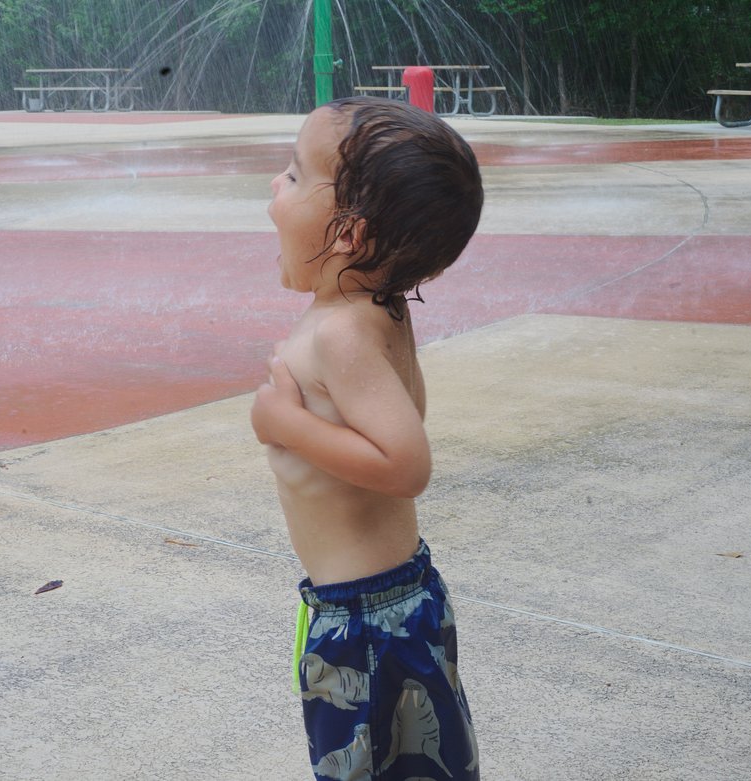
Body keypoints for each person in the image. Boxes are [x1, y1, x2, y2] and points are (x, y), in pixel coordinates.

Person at [250, 96, 483, 780]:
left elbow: (406, 460)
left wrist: (285, 423)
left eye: (293, 176)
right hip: (383, 604)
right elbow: (406, 407)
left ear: (347, 234)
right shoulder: (374, 309)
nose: (275, 184)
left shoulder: (344, 330)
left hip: (366, 625)